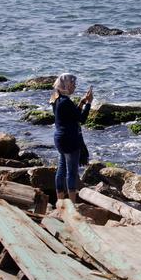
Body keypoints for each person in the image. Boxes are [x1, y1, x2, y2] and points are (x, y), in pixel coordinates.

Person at [50, 73, 93, 203]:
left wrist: (82, 102)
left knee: (62, 169)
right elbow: (81, 119)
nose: (74, 86)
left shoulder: (56, 98)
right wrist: (89, 104)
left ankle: (60, 201)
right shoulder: (66, 102)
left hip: (60, 139)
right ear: (66, 85)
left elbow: (73, 115)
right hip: (70, 140)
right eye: (72, 84)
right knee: (72, 173)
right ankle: (72, 205)